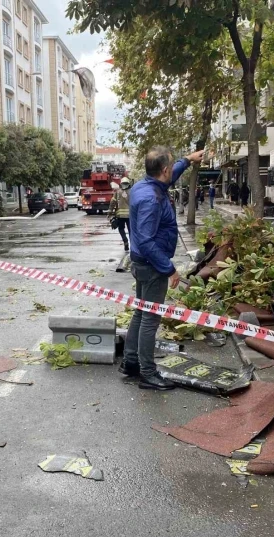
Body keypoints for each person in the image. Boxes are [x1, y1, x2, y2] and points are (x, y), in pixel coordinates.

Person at [120, 146, 205, 390]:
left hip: (142, 263)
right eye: (171, 167)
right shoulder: (151, 198)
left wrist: (187, 160)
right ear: (163, 170)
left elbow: (170, 176)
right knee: (150, 319)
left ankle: (131, 362)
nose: (172, 171)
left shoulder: (145, 186)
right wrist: (169, 269)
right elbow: (146, 241)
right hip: (152, 266)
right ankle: (147, 373)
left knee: (140, 312)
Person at [108, 177, 131, 251]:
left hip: (120, 215)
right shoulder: (132, 192)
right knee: (131, 230)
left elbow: (112, 202)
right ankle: (133, 244)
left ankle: (125, 241)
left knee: (121, 229)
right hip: (130, 216)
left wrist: (110, 212)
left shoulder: (117, 192)